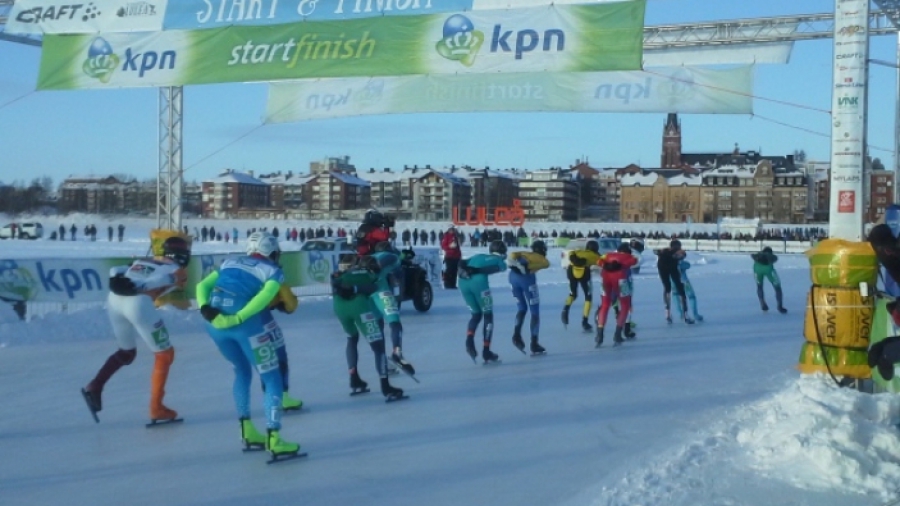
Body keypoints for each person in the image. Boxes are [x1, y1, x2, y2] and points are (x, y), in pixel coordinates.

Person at [196, 231, 301, 460]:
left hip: (214, 324)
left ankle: (246, 430)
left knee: (241, 372)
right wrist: (239, 318)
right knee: (271, 377)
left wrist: (205, 308)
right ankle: (274, 439)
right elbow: (264, 299)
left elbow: (202, 286)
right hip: (246, 327)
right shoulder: (273, 270)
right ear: (271, 252)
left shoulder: (230, 261)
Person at [81, 236, 191, 424]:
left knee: (126, 352)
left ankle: (95, 385)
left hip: (114, 300)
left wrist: (116, 282)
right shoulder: (178, 271)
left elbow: (115, 270)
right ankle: (156, 407)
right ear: (182, 255)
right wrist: (137, 287)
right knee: (165, 355)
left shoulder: (144, 260)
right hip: (138, 302)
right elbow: (161, 280)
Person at [331, 261, 405, 400]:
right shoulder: (370, 275)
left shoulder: (347, 272)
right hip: (359, 307)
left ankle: (354, 377)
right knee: (378, 346)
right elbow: (373, 288)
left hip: (339, 307)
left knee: (351, 338)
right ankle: (386, 387)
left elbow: (335, 282)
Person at [366, 242, 415, 376]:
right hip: (381, 291)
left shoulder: (370, 257)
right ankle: (397, 353)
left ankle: (382, 366)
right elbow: (397, 269)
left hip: (367, 294)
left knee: (378, 328)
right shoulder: (392, 257)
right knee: (394, 322)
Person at [458, 240, 508, 363]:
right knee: (488, 315)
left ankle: (469, 339)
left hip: (463, 282)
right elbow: (501, 267)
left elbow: (461, 262)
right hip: (479, 284)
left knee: (476, 314)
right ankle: (486, 351)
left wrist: (464, 271)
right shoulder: (499, 259)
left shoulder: (478, 255)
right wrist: (478, 271)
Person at [507, 240, 550, 355]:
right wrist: (527, 267)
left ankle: (516, 334)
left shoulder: (525, 253)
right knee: (534, 311)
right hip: (526, 278)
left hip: (512, 277)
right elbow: (546, 264)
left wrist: (516, 264)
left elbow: (512, 255)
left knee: (521, 308)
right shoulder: (540, 258)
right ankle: (534, 343)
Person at [595, 243, 639, 347]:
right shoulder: (629, 256)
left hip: (605, 279)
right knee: (625, 306)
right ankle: (617, 333)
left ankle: (600, 334)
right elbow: (636, 261)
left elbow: (598, 261)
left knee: (605, 305)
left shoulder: (608, 255)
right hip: (621, 280)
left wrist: (606, 264)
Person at [562, 239, 603, 332]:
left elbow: (571, 253)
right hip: (585, 273)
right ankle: (585, 321)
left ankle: (566, 309)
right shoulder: (595, 256)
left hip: (571, 271)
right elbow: (603, 261)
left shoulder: (579, 251)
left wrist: (575, 261)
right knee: (588, 297)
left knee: (573, 294)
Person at [655, 239, 694, 324]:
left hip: (662, 267)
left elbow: (656, 252)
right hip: (671, 268)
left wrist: (662, 252)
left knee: (667, 288)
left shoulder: (665, 250)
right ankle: (685, 315)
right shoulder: (677, 251)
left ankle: (667, 313)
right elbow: (682, 256)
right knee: (680, 289)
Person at [752, 246, 786, 313]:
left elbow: (752, 256)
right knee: (777, 287)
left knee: (759, 286)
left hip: (757, 269)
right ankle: (780, 306)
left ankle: (762, 303)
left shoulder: (758, 255)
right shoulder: (771, 256)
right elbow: (775, 259)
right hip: (769, 270)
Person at [673, 257, 704, 322]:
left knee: (676, 296)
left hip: (673, 282)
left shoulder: (668, 261)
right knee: (691, 296)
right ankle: (695, 314)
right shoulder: (680, 262)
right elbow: (687, 265)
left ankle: (681, 314)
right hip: (684, 281)